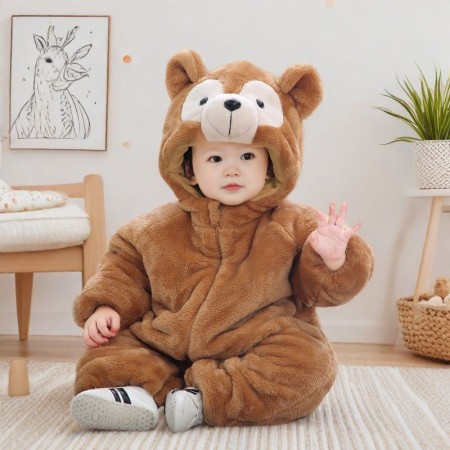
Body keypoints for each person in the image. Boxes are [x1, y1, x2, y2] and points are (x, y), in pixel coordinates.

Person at [71, 50, 373, 433]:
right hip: (164, 340)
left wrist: (331, 259)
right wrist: (106, 306)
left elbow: (319, 290)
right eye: (215, 159)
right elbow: (123, 267)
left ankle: (205, 398)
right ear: (189, 169)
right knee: (105, 358)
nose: (232, 169)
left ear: (270, 166)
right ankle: (136, 392)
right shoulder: (154, 229)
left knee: (308, 365)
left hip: (255, 343)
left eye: (247, 156)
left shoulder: (295, 224)